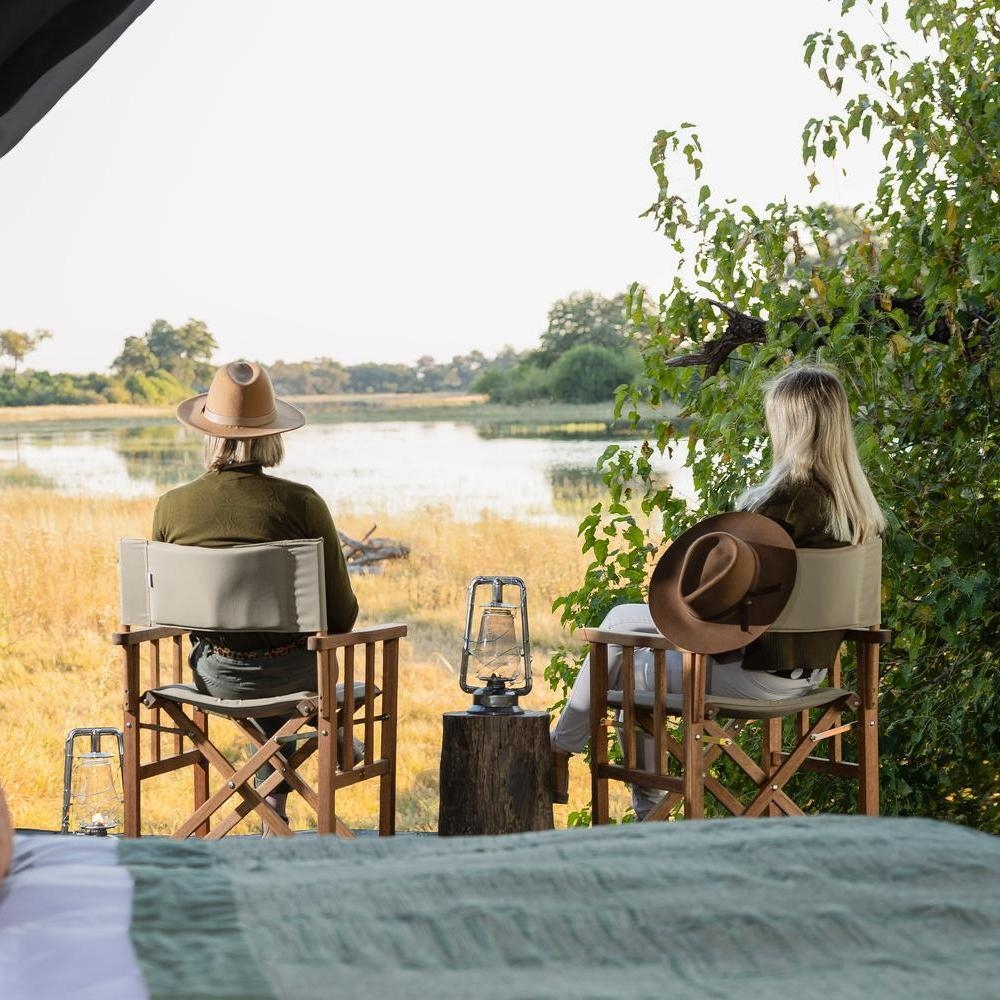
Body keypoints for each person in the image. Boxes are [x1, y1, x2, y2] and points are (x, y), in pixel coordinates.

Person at [551, 364, 886, 817]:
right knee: (619, 620)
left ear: (789, 425)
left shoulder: (777, 506)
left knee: (630, 670)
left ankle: (635, 806)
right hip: (813, 675)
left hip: (755, 675)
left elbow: (725, 616)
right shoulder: (856, 511)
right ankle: (563, 751)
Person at [152, 360, 358, 830]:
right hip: (297, 678)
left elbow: (168, 608)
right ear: (272, 435)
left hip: (215, 679)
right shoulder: (302, 503)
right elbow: (342, 617)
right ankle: (321, 754)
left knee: (269, 681)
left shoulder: (172, 506)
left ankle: (274, 810)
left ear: (209, 433)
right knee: (295, 680)